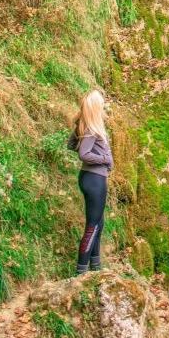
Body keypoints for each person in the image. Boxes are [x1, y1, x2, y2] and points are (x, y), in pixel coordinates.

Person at [67, 90, 113, 275]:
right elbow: (83, 154)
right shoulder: (92, 130)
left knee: (98, 223)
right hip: (95, 180)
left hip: (90, 178)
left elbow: (71, 145)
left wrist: (79, 123)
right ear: (95, 108)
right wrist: (103, 158)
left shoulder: (86, 127)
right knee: (93, 226)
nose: (103, 108)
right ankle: (81, 272)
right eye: (101, 105)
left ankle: (95, 266)